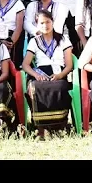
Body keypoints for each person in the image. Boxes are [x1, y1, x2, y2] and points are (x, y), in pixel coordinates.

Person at [21, 9, 75, 137]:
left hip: (59, 74)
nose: (45, 25)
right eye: (41, 23)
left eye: (48, 22)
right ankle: (41, 128)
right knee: (35, 88)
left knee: (60, 87)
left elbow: (69, 65)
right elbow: (25, 64)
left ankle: (59, 126)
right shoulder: (34, 41)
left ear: (53, 22)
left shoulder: (63, 39)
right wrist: (36, 75)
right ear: (37, 25)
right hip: (40, 74)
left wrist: (60, 76)